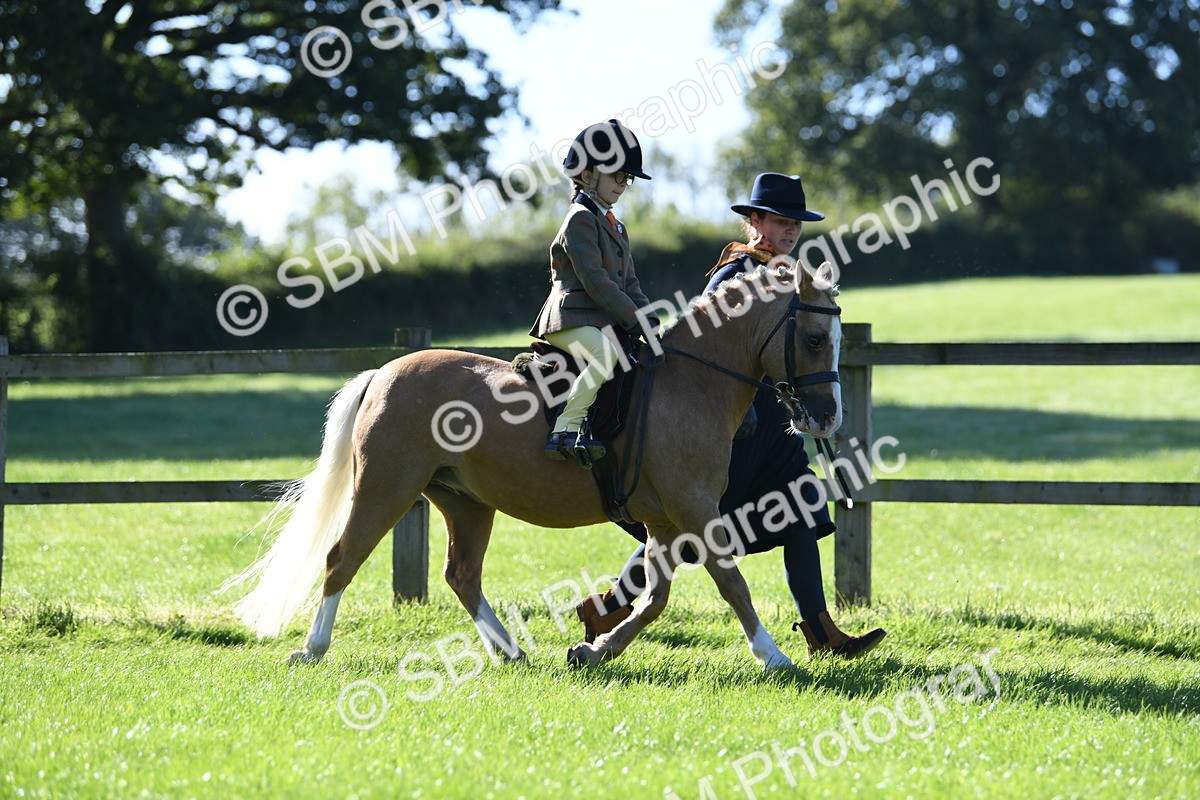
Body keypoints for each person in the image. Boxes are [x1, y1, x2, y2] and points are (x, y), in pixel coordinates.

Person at [575, 172, 887, 659]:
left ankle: (822, 633)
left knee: (801, 509)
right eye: (781, 221)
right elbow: (704, 347)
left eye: (796, 224)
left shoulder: (792, 278)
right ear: (755, 220)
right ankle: (612, 604)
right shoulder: (735, 272)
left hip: (774, 429)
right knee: (688, 522)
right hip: (734, 427)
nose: (790, 231)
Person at [530, 119, 657, 461]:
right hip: (568, 319)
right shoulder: (579, 219)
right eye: (616, 175)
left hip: (598, 319)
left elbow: (629, 283)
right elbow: (597, 282)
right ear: (587, 176)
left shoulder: (618, 226)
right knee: (606, 355)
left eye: (627, 178)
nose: (623, 184)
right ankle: (565, 429)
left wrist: (650, 319)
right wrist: (634, 320)